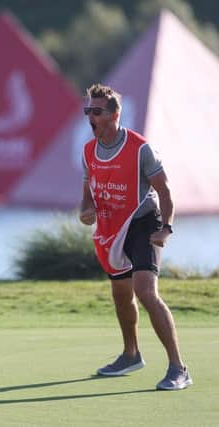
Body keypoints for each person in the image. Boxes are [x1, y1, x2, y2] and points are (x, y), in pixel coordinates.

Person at [79, 83, 192, 390]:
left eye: (97, 111)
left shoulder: (140, 148)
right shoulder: (88, 150)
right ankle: (131, 355)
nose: (90, 116)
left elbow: (165, 191)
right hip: (111, 229)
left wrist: (166, 228)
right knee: (120, 295)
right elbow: (87, 194)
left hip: (143, 225)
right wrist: (85, 211)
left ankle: (178, 368)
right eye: (88, 110)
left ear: (114, 114)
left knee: (145, 291)